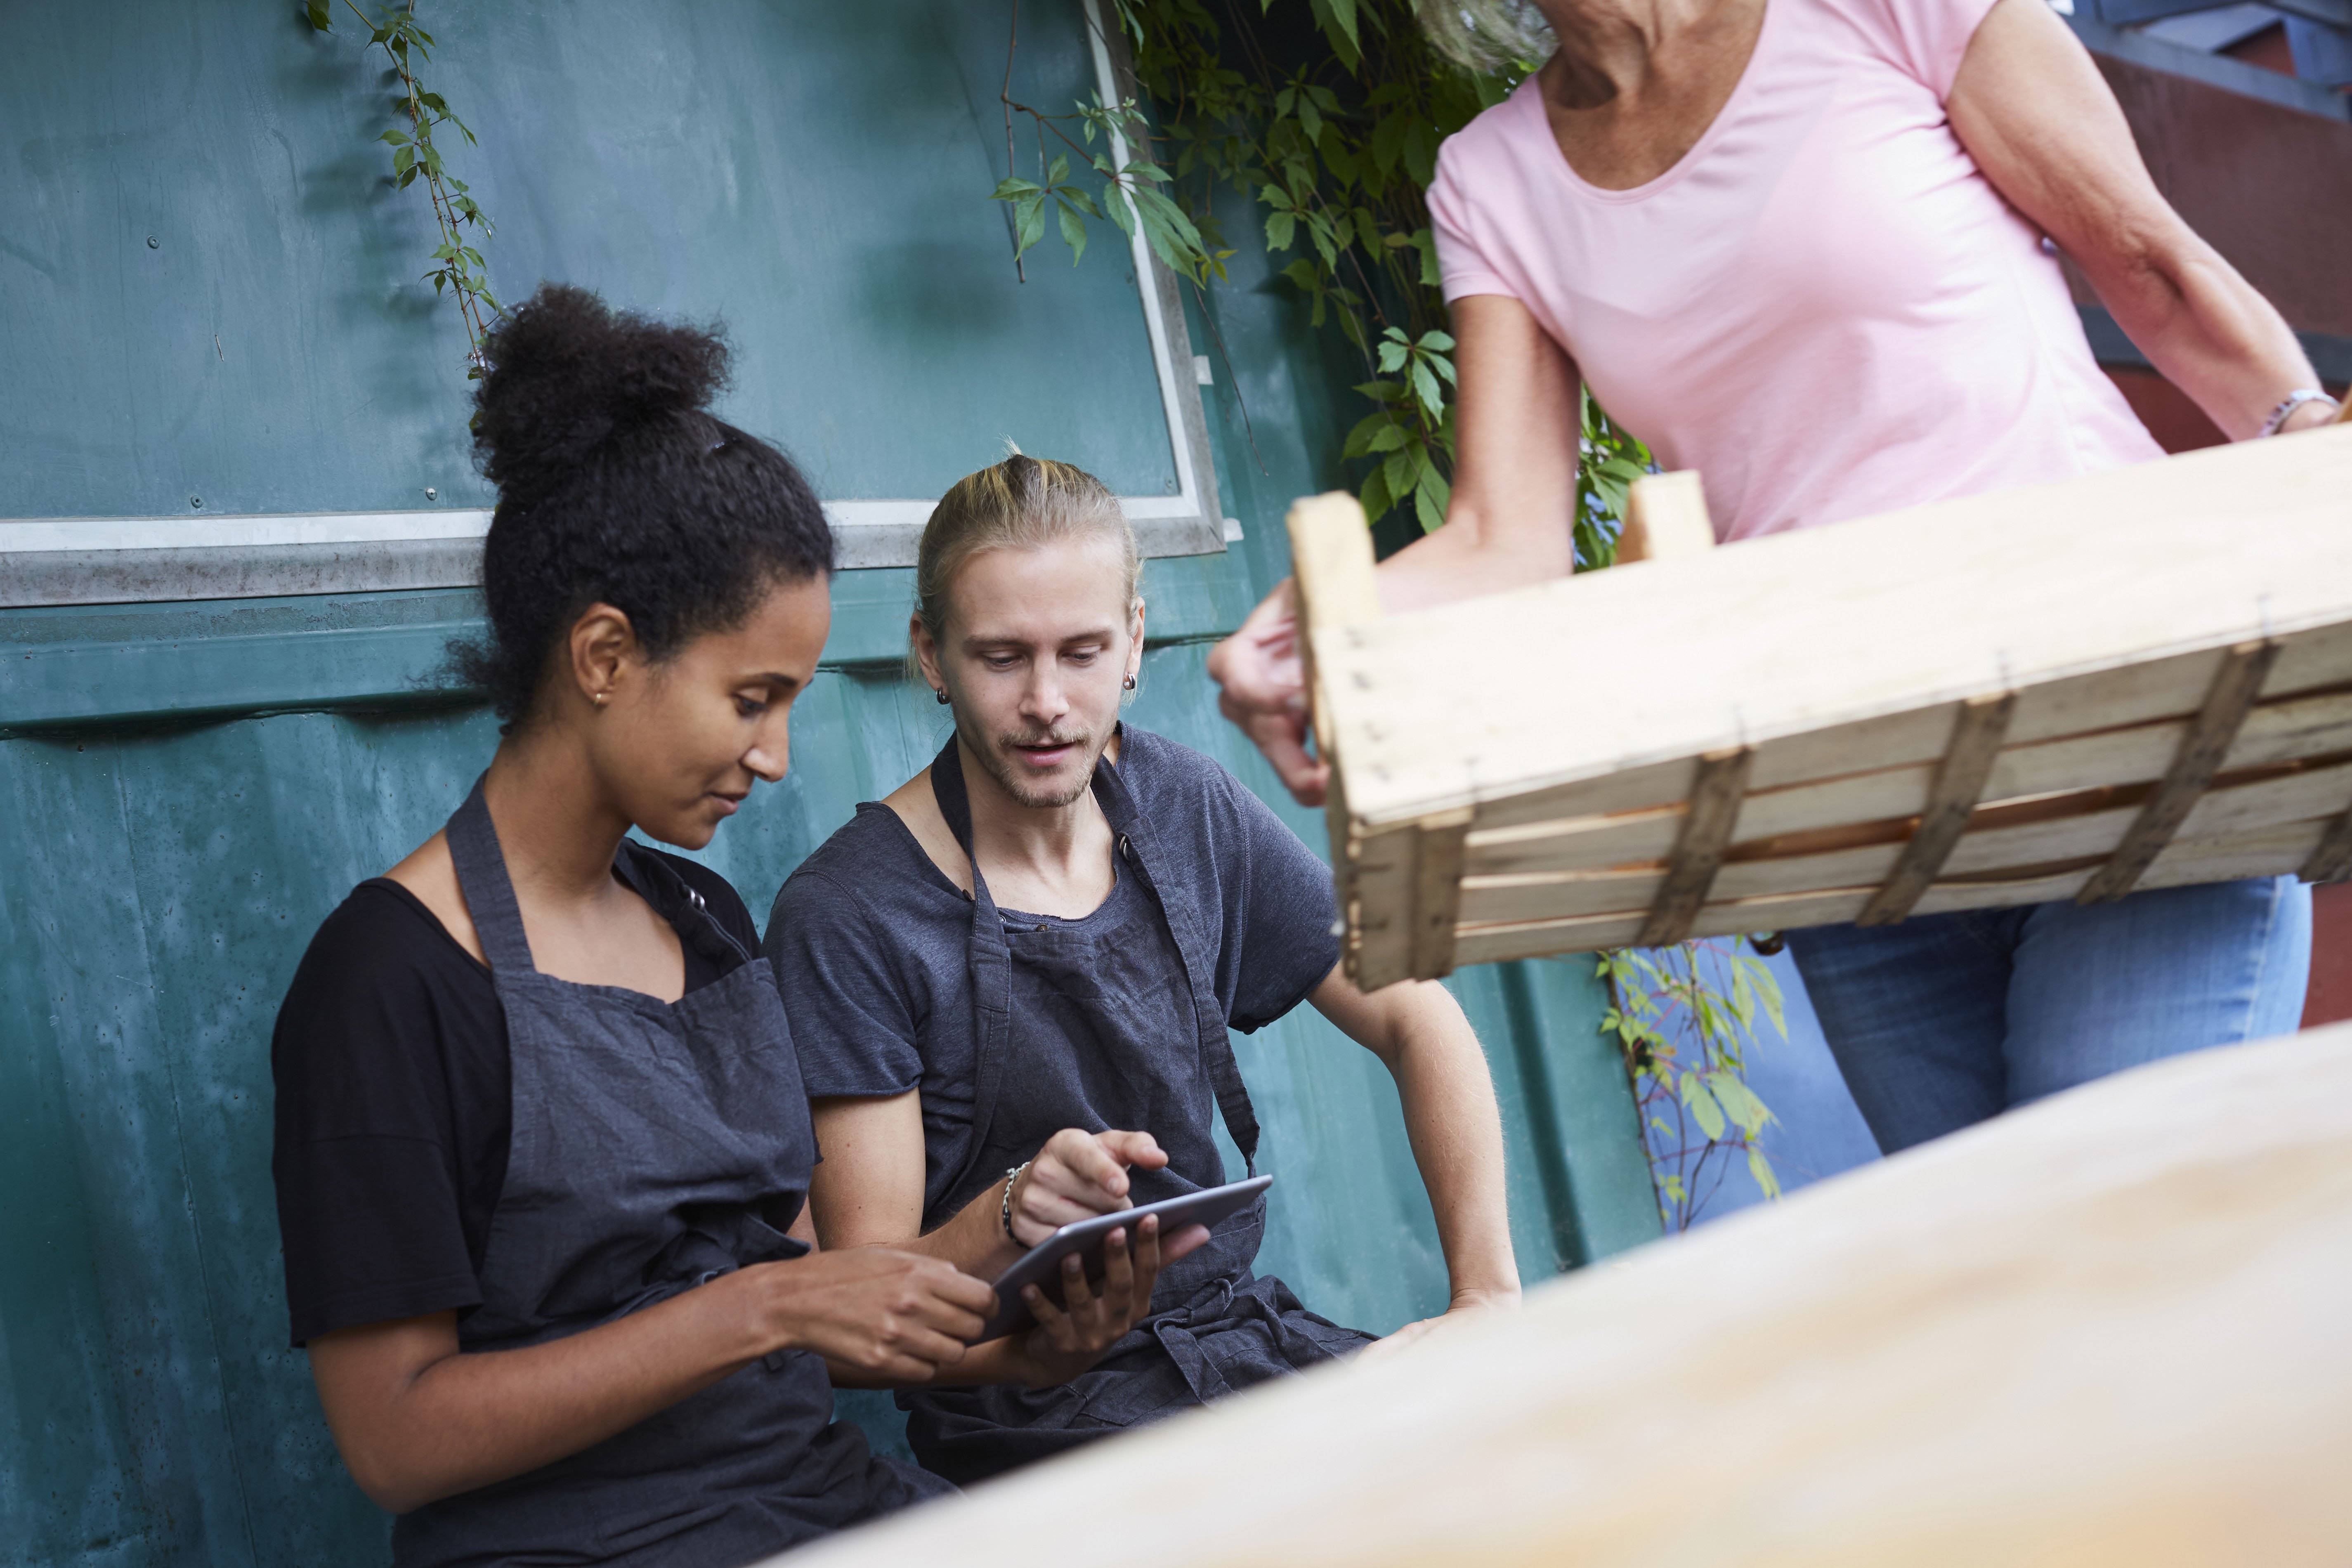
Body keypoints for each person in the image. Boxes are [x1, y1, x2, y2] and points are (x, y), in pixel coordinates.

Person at [1207, 0, 2318, 1154]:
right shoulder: (1493, 178)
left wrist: (2303, 443)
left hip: (2120, 720)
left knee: (2126, 1221)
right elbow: (1504, 540)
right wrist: (1323, 629)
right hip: (1853, 817)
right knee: (2005, 1279)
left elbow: (2150, 265)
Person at [269, 288, 1159, 1568]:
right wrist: (769, 1305)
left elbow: (808, 1319)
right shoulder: (390, 981)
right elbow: (396, 1441)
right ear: (603, 656)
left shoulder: (704, 923)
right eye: (752, 698)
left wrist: (1024, 1335)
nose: (779, 755)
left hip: (818, 1505)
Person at [763, 454, 1523, 1485]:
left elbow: (1416, 1017)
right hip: (1034, 1419)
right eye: (1000, 657)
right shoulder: (851, 912)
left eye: (1081, 652)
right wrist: (1014, 1212)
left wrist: (1486, 1297)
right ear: (930, 654)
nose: (1046, 701)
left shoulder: (1188, 806)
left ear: (1133, 642)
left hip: (1249, 1346)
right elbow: (867, 1301)